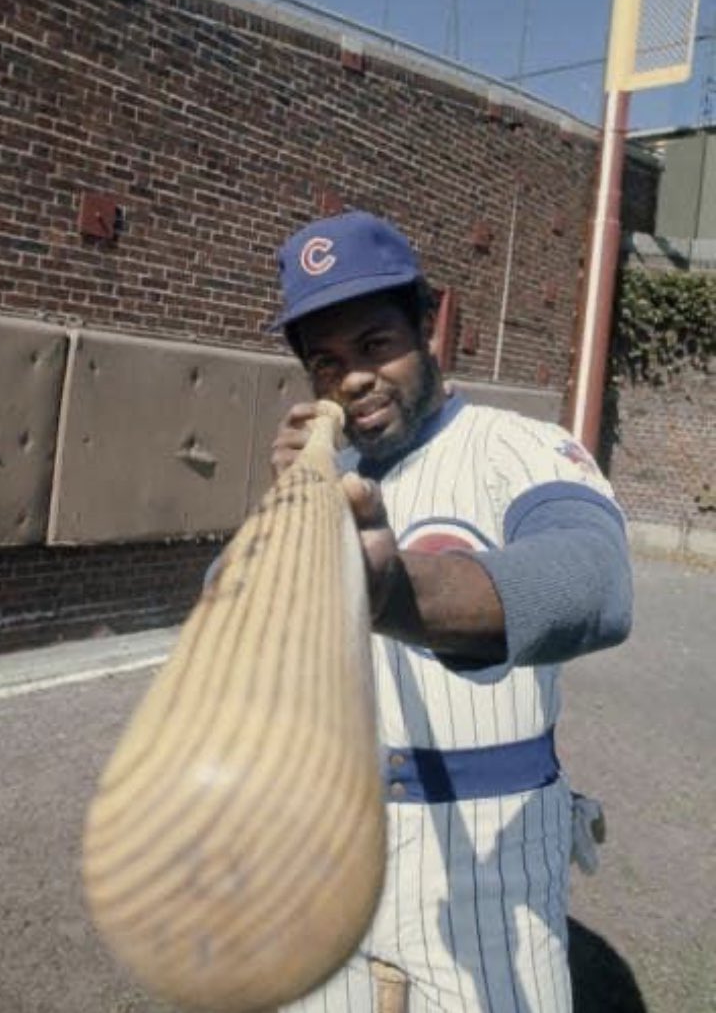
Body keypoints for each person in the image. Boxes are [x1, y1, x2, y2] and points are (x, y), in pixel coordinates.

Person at [269, 210, 632, 1013]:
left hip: (487, 859)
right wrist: (286, 517)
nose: (353, 379)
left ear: (430, 328)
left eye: (374, 345)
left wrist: (394, 592)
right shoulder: (327, 478)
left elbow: (595, 583)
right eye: (326, 363)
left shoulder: (520, 448)